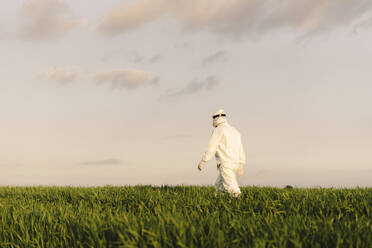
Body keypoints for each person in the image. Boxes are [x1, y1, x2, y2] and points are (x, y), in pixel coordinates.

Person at [197, 109, 246, 197]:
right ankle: (218, 202)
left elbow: (212, 146)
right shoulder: (235, 131)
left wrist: (203, 161)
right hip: (235, 162)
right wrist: (241, 163)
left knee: (232, 188)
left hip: (225, 162)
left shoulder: (219, 130)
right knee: (218, 188)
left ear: (217, 117)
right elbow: (240, 147)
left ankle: (240, 204)